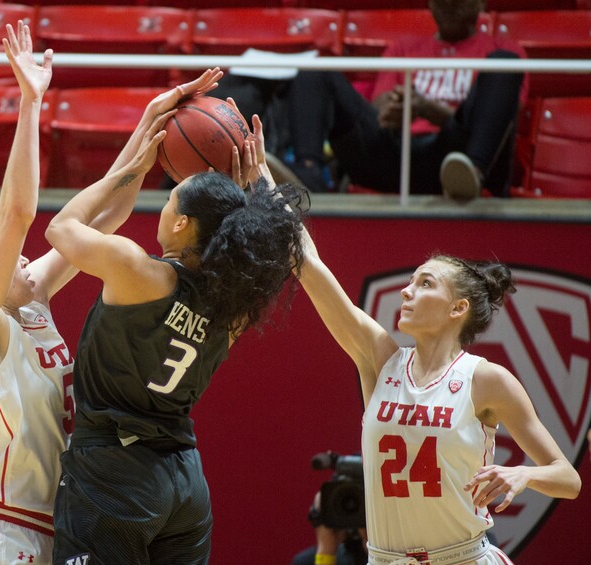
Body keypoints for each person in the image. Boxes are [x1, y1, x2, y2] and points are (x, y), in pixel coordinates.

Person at [245, 116, 580, 565]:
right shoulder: (380, 357)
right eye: (410, 282)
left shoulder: (486, 380)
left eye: (424, 284)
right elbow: (307, 261)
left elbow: (568, 478)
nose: (407, 291)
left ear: (457, 308)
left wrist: (523, 475)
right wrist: (264, 182)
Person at [0, 22, 161, 564]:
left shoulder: (29, 304)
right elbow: (17, 214)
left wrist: (149, 123)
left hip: (51, 530)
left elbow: (104, 218)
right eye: (7, 255)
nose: (23, 259)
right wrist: (30, 103)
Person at [44, 74, 307, 564]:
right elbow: (286, 243)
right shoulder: (235, 307)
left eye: (169, 200)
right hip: (184, 482)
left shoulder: (138, 271)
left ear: (182, 223)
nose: (163, 207)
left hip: (114, 472)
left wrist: (131, 170)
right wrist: (258, 189)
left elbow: (61, 228)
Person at [286, 0, 527, 199]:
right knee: (315, 71)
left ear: (480, 4)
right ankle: (308, 178)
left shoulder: (503, 50)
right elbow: (379, 107)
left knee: (503, 64)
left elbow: (499, 122)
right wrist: (395, 108)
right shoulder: (404, 47)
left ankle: (472, 173)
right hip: (397, 153)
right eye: (442, 3)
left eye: (458, 2)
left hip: (455, 157)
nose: (449, 7)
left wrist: (427, 109)